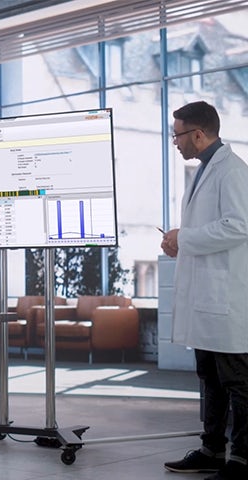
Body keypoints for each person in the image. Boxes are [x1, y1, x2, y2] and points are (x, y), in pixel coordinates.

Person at [161, 101, 248, 480]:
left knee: (238, 383)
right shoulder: (204, 171)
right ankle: (212, 448)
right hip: (206, 297)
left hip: (226, 298)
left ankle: (242, 459)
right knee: (209, 376)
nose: (175, 142)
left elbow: (239, 225)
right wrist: (180, 241)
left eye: (177, 134)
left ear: (198, 134)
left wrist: (187, 237)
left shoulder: (232, 171)